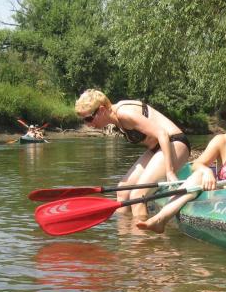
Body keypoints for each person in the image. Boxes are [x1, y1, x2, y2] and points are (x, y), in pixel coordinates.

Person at [137, 96, 226, 233]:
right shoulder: (221, 141)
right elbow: (197, 165)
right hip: (223, 194)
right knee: (200, 175)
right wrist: (207, 171)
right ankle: (161, 219)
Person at [74, 89, 191, 217]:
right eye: (84, 120)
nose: (88, 124)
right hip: (157, 148)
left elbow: (162, 133)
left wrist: (170, 171)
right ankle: (126, 230)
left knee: (137, 195)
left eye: (89, 118)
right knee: (122, 192)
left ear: (101, 110)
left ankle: (142, 230)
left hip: (174, 143)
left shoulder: (124, 113)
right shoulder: (116, 118)